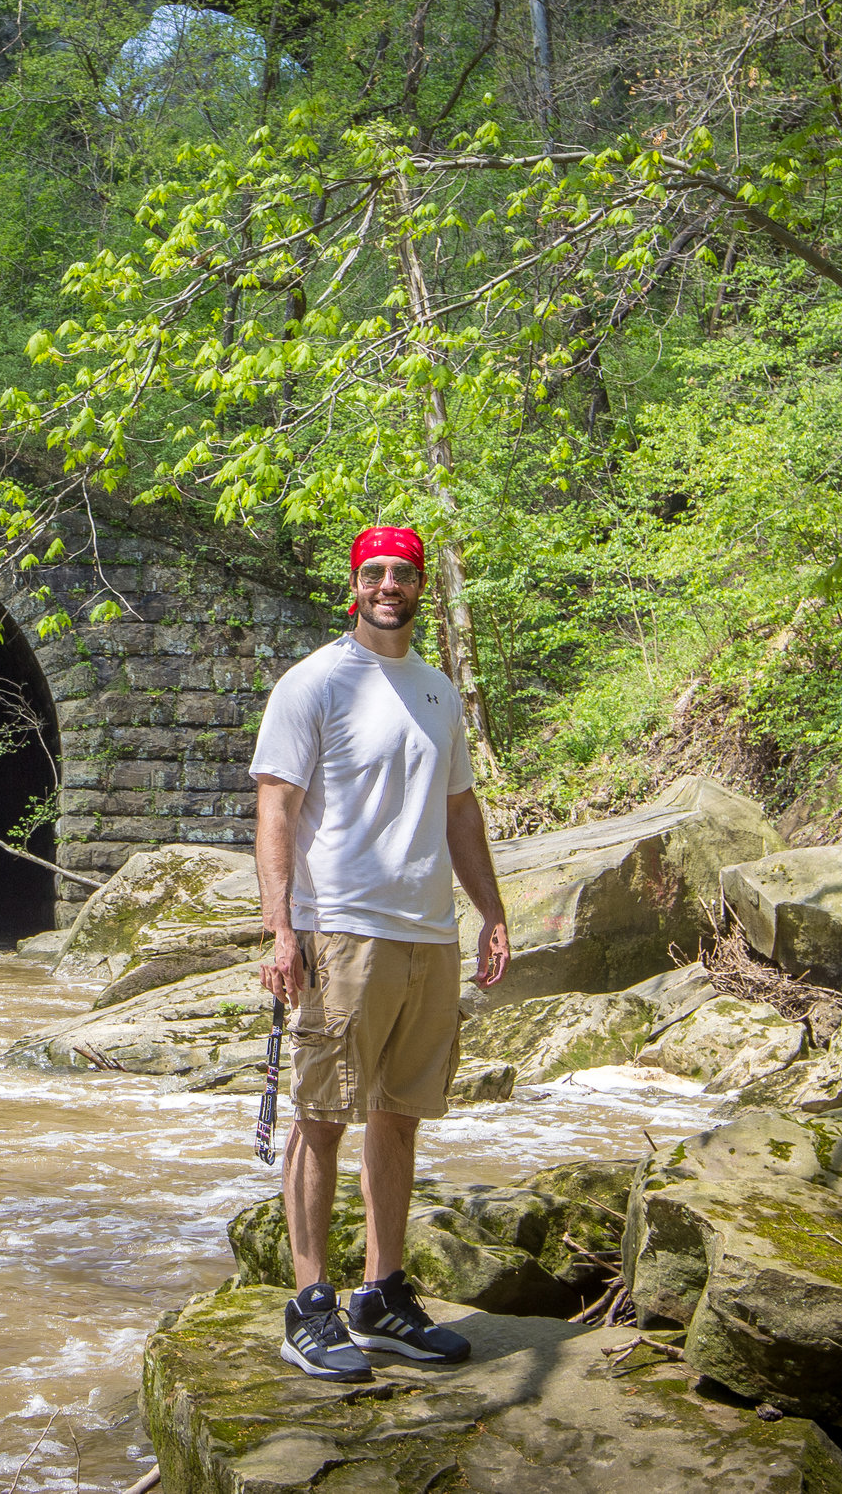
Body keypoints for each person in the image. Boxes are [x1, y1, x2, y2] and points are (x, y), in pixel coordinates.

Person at [248, 524, 513, 1380]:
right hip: (342, 931)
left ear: (420, 586)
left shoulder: (437, 691)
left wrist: (492, 913)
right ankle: (310, 1305)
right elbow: (277, 810)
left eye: (402, 573)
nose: (388, 585)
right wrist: (282, 930)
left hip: (427, 935)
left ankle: (381, 1296)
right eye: (375, 572)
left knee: (399, 1116)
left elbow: (461, 813)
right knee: (321, 1118)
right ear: (354, 584)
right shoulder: (316, 682)